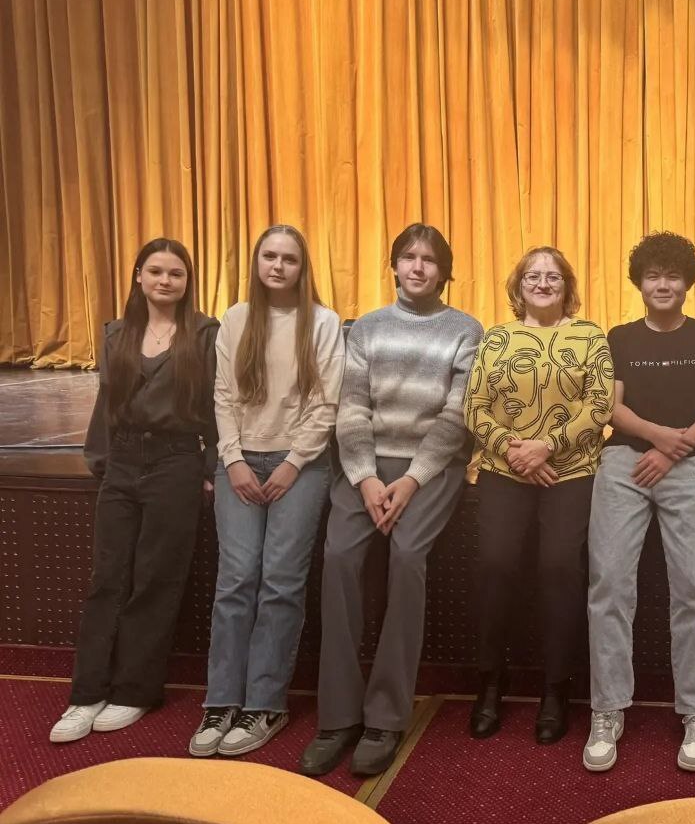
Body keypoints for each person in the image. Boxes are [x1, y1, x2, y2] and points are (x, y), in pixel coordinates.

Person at [298, 223, 482, 776]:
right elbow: (352, 407)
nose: (418, 267)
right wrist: (364, 477)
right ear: (395, 265)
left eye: (429, 259)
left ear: (444, 271)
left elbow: (456, 416)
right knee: (339, 558)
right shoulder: (367, 329)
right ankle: (337, 715)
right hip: (367, 469)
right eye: (408, 257)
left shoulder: (465, 329)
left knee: (406, 557)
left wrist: (413, 478)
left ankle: (385, 716)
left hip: (430, 469)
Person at [582, 232, 695, 774]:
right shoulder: (620, 337)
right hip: (625, 464)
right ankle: (607, 709)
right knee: (608, 583)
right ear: (639, 282)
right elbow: (612, 408)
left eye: (673, 275)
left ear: (687, 281)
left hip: (689, 464)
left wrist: (675, 450)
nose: (663, 284)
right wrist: (657, 439)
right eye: (653, 275)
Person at [50, 239, 219, 743]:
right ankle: (86, 693)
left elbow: (217, 405)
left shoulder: (205, 334)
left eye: (176, 273)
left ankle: (134, 690)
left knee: (155, 579)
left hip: (176, 463)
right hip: (122, 462)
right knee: (107, 579)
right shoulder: (117, 334)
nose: (166, 281)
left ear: (187, 281)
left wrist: (209, 467)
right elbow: (107, 400)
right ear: (139, 275)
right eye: (156, 271)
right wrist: (102, 462)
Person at [188, 225, 345, 757]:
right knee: (236, 579)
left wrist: (294, 462)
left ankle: (265, 703)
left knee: (280, 580)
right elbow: (223, 395)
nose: (278, 266)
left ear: (302, 268)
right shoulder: (235, 318)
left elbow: (327, 403)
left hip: (300, 466)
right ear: (257, 263)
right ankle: (221, 701)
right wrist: (232, 460)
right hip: (239, 463)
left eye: (289, 259)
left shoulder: (323, 323)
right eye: (269, 256)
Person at [464, 246, 614, 744]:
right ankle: (491, 680)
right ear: (519, 285)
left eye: (553, 276)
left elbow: (599, 405)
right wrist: (516, 452)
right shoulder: (496, 338)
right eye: (533, 275)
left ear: (567, 286)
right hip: (505, 468)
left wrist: (546, 446)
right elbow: (474, 407)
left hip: (570, 470)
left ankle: (556, 686)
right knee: (495, 564)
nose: (543, 283)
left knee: (560, 567)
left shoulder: (590, 336)